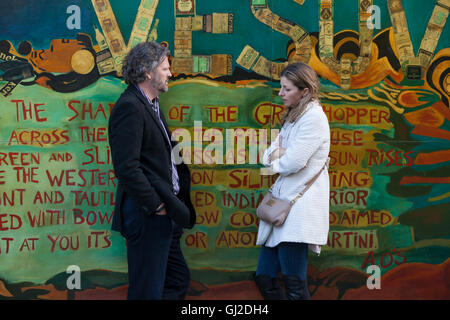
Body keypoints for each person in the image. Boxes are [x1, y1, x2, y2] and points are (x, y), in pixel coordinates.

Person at [108, 42, 196, 300]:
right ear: (148, 72)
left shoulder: (151, 104)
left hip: (163, 215)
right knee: (147, 291)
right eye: (166, 68)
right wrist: (157, 206)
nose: (170, 73)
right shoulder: (130, 107)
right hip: (148, 216)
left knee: (176, 280)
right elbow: (127, 167)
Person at [254, 62, 330, 300]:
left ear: (304, 91)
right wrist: (281, 157)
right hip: (282, 207)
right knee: (265, 278)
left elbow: (291, 163)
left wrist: (281, 159)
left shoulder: (314, 118)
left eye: (287, 89)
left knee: (294, 284)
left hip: (298, 212)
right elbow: (269, 153)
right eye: (281, 88)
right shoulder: (294, 116)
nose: (280, 93)